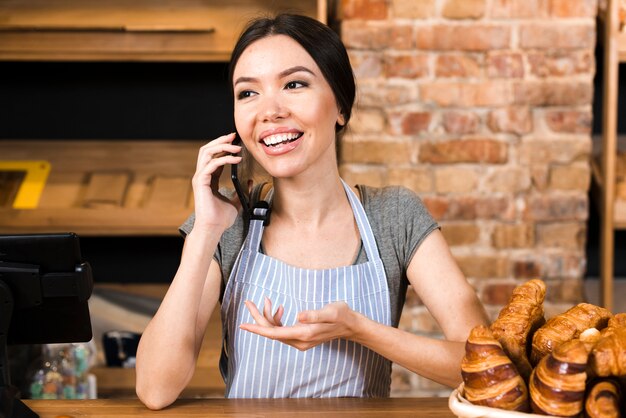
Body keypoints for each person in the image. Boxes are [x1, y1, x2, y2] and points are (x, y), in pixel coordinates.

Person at [135, 13, 488, 409]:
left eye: (294, 84)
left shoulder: (393, 216)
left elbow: (482, 366)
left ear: (340, 105)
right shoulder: (227, 225)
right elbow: (154, 389)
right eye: (248, 93)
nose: (270, 111)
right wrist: (204, 234)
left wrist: (360, 331)